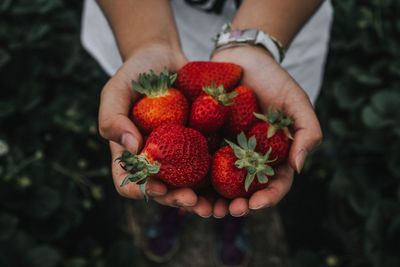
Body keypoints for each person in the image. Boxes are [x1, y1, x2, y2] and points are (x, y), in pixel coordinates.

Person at [81, 0, 332, 265]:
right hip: (134, 19)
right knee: (172, 186)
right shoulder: (165, 119)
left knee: (234, 189)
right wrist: (147, 43)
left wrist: (254, 46)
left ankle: (232, 217)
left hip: (282, 21)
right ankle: (176, 209)